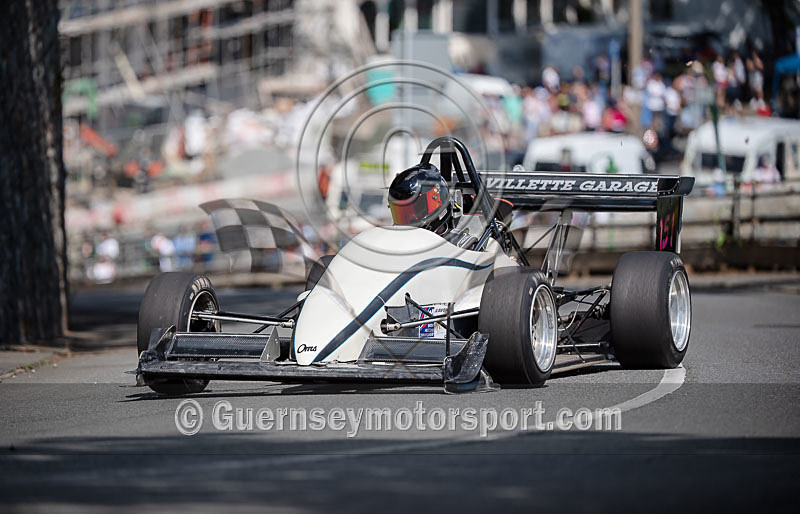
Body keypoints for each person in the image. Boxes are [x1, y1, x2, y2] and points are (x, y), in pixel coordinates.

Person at [387, 163, 478, 249]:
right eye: (402, 213)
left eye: (418, 209)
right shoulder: (392, 245)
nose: (410, 219)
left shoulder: (462, 246)